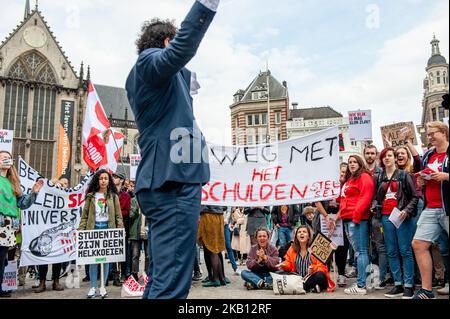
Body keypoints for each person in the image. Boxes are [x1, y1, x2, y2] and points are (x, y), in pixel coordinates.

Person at [126, 0, 218, 299]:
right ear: (167, 40)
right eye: (172, 40)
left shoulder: (152, 78)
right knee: (172, 282)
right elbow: (182, 47)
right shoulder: (150, 61)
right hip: (173, 182)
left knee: (161, 276)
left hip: (165, 179)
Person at [372, 148, 419, 299]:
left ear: (395, 158)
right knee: (391, 251)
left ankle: (409, 286)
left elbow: (415, 196)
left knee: (405, 251)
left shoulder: (404, 175)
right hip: (385, 217)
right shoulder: (379, 177)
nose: (387, 158)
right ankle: (398, 284)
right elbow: (375, 197)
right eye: (384, 156)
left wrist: (406, 210)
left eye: (390, 156)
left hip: (402, 216)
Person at [412, 122, 449, 299]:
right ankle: (426, 290)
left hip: (447, 207)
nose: (430, 137)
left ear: (443, 132)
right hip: (431, 207)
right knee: (418, 244)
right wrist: (422, 181)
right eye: (428, 135)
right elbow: (423, 176)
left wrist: (446, 176)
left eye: (433, 133)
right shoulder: (428, 156)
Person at [0, 151, 43, 298]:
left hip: (7, 227)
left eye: (8, 158)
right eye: (3, 158)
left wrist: (34, 193)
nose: (6, 160)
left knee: (2, 259)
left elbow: (23, 204)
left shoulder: (14, 183)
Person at [78, 169, 124, 299]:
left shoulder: (113, 196)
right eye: (101, 178)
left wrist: (120, 230)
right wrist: (81, 230)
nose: (103, 180)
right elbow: (85, 215)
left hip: (108, 229)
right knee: (94, 260)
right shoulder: (91, 196)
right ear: (97, 180)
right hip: (93, 229)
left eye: (106, 178)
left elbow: (118, 216)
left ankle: (103, 287)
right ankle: (93, 287)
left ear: (109, 181)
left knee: (106, 260)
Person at [335, 155, 374, 295]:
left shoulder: (364, 176)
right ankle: (366, 283)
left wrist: (356, 216)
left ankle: (361, 285)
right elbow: (341, 199)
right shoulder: (350, 179)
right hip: (348, 218)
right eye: (350, 162)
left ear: (360, 163)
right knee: (359, 252)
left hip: (356, 219)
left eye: (354, 162)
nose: (351, 164)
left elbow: (366, 196)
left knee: (360, 251)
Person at [278, 226, 336, 293]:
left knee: (320, 275)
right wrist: (283, 265)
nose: (301, 233)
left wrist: (313, 269)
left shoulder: (315, 248)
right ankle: (310, 287)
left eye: (304, 232)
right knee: (279, 273)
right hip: (298, 278)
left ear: (308, 236)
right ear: (296, 236)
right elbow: (289, 264)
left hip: (312, 277)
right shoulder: (292, 249)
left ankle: (301, 287)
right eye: (299, 232)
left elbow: (323, 268)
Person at [197, 206, 228, 287]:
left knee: (212, 249)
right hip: (219, 216)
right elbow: (225, 206)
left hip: (208, 216)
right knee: (216, 249)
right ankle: (221, 278)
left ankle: (215, 279)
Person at [111, 172, 131, 286]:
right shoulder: (110, 195)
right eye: (113, 177)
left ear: (121, 180)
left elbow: (126, 212)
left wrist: (115, 213)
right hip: (111, 227)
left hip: (122, 227)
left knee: (123, 252)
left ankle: (123, 273)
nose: (114, 179)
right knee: (113, 252)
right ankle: (114, 276)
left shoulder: (125, 196)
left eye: (116, 177)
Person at [129, 195, 148, 281]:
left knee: (148, 255)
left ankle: (147, 273)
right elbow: (130, 216)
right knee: (135, 255)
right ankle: (134, 274)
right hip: (135, 232)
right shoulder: (133, 200)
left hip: (147, 231)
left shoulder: (149, 199)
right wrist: (136, 209)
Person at [224, 207, 239, 275]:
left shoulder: (228, 202)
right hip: (215, 223)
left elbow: (229, 211)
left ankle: (235, 268)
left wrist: (227, 220)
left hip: (225, 224)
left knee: (228, 246)